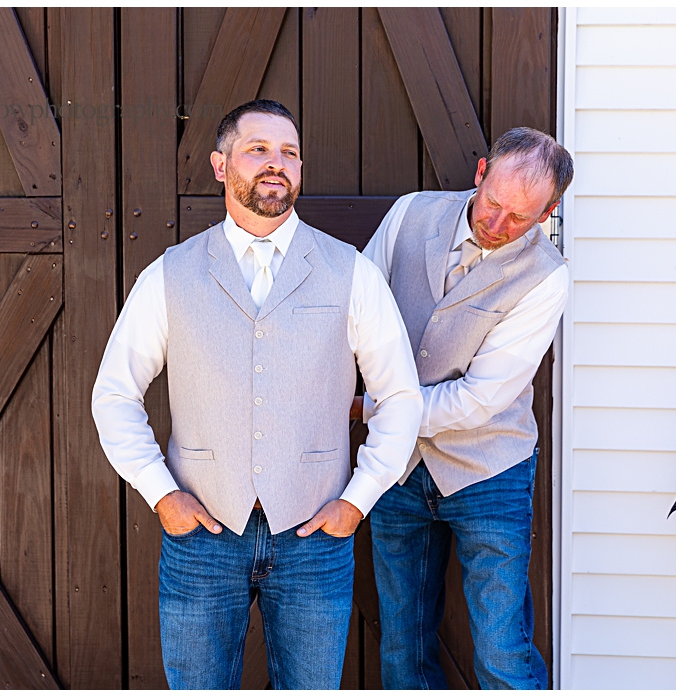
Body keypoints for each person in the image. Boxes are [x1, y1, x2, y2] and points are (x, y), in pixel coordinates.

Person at [92, 99, 423, 689]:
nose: (277, 163)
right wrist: (163, 495)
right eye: (258, 149)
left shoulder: (350, 272)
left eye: (290, 153)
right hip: (202, 539)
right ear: (221, 166)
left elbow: (400, 396)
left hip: (315, 540)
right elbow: (114, 395)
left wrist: (358, 501)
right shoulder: (170, 273)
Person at [354, 126, 572, 689]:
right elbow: (353, 310)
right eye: (493, 204)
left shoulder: (547, 278)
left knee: (501, 649)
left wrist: (372, 410)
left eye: (520, 218)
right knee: (402, 646)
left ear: (550, 211)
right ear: (480, 173)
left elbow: (479, 398)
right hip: (397, 468)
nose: (497, 226)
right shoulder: (409, 215)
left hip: (489, 470)